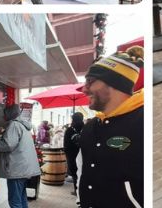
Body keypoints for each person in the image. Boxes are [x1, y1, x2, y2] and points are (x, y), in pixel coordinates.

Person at [77, 46, 144, 208]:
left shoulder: (143, 121)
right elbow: (81, 170)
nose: (85, 89)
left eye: (90, 81)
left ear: (114, 83)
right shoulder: (90, 127)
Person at [0, 105, 40, 208]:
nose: (3, 116)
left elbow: (8, 145)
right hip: (24, 168)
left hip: (17, 169)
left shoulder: (14, 125)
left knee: (15, 201)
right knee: (21, 197)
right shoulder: (23, 125)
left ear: (10, 114)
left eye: (5, 114)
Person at [63, 111, 85, 194]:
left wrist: (67, 153)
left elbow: (66, 144)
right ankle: (81, 190)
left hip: (72, 155)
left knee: (74, 172)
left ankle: (77, 190)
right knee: (82, 172)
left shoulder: (69, 130)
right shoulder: (86, 128)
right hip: (83, 154)